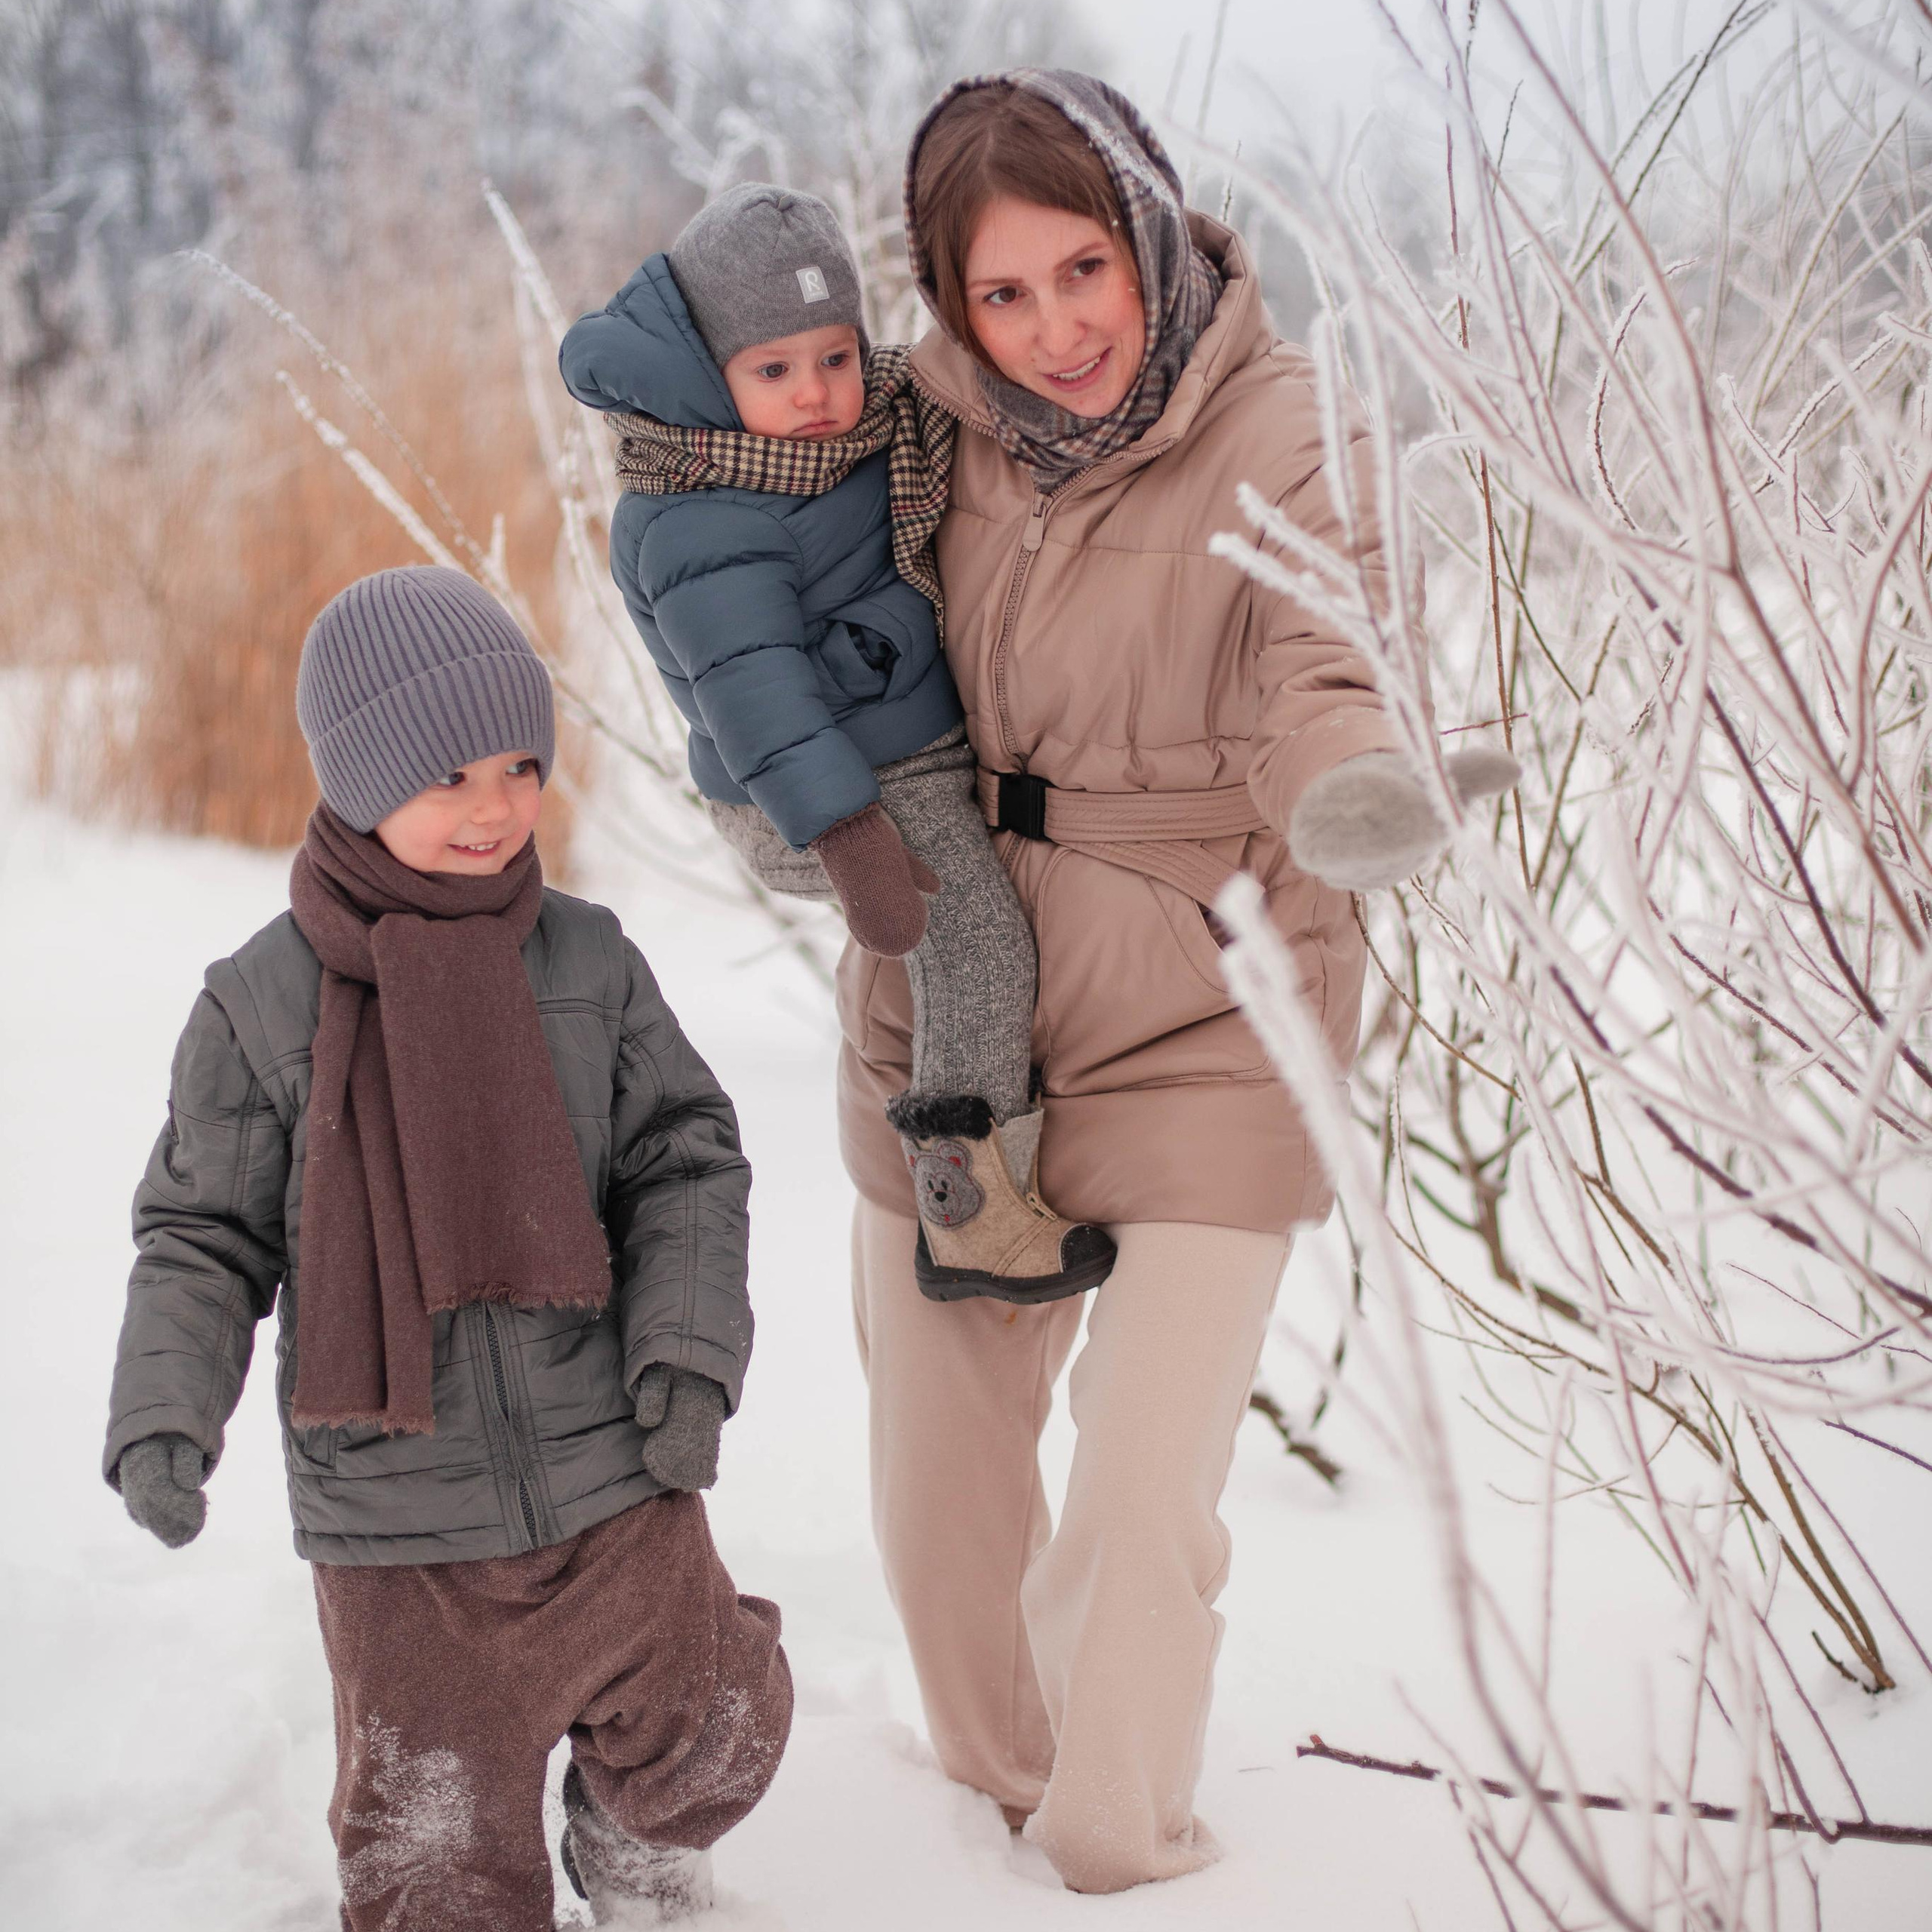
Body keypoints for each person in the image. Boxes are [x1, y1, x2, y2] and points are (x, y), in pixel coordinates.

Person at [839, 70, 1518, 1895]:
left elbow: (1325, 653)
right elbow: (748, 546)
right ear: (945, 299)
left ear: (1145, 231)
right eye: (1001, 293)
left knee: (1138, 1514)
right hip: (953, 1012)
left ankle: (1118, 1855)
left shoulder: (1286, 424)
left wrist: (1349, 794)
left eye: (1082, 268)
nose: (1054, 328)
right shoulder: (909, 429)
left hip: (1213, 1002)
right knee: (937, 1510)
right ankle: (982, 1815)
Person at [101, 565, 792, 1931]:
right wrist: (165, 1416)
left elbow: (684, 1158)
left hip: (612, 1460)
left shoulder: (587, 960)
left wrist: (688, 1356)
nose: (495, 807)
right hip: (398, 1521)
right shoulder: (262, 1005)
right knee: (434, 1862)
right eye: (450, 774)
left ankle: (636, 1849)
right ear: (358, 779)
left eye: (522, 764)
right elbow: (201, 1233)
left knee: (711, 1732)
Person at [559, 183, 1114, 1303]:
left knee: (980, 937)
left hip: (892, 754)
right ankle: (966, 1213)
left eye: (835, 357)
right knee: (974, 943)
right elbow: (755, 698)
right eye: (774, 371)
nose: (816, 395)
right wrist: (849, 837)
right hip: (818, 793)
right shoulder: (696, 511)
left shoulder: (865, 436)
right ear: (711, 376)